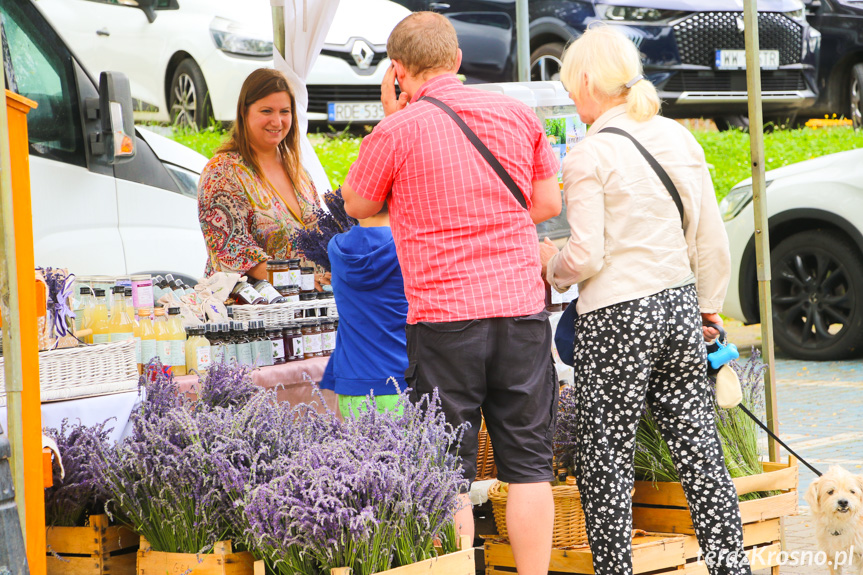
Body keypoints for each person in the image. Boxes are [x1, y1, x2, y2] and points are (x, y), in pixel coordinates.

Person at [341, 12, 562, 575]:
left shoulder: (397, 131)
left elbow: (358, 205)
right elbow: (547, 205)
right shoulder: (517, 114)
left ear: (396, 72)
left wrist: (392, 118)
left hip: (444, 319)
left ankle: (459, 568)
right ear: (458, 60)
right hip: (520, 310)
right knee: (530, 467)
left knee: (447, 470)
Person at [540, 26, 750, 575]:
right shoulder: (678, 137)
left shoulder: (589, 155)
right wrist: (708, 307)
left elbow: (585, 256)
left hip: (616, 317)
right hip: (680, 307)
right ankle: (732, 566)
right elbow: (709, 237)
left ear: (588, 81)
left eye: (570, 87)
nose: (571, 100)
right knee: (701, 454)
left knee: (606, 460)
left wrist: (550, 266)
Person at [198, 68, 322, 280]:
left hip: (306, 305)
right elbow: (233, 252)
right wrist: (298, 282)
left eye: (285, 111)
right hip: (252, 307)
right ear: (244, 112)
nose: (277, 121)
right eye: (266, 111)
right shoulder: (222, 172)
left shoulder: (299, 172)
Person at [319, 202, 408, 419]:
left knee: (362, 453)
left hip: (353, 382)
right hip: (403, 378)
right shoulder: (408, 245)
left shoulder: (336, 247)